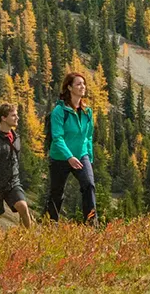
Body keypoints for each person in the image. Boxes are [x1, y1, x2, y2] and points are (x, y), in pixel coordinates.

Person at [46, 72, 97, 224]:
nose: (83, 87)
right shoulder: (59, 111)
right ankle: (50, 225)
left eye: (84, 83)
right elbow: (57, 137)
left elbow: (88, 136)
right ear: (69, 87)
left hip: (81, 155)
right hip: (61, 157)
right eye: (78, 84)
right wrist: (69, 157)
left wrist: (89, 158)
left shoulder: (87, 112)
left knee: (89, 185)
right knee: (57, 193)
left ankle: (91, 224)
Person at [0, 103, 32, 234]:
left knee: (23, 207)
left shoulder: (16, 138)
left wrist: (16, 179)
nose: (17, 118)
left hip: (12, 183)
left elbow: (15, 161)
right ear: (3, 118)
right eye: (13, 115)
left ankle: (28, 240)